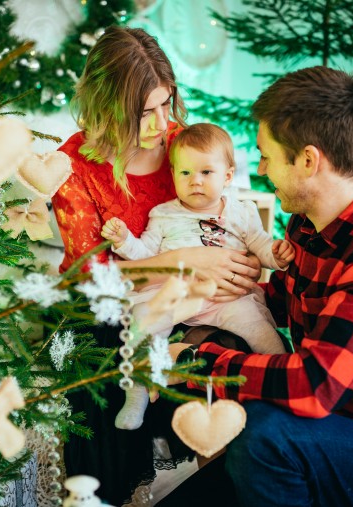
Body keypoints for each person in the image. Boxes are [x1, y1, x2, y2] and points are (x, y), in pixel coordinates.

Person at [177, 66, 353, 507]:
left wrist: (194, 362)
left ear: (308, 160)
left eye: (267, 155)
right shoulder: (308, 227)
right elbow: (280, 303)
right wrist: (200, 305)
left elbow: (316, 386)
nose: (263, 168)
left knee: (263, 433)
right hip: (310, 433)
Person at [51, 26, 262, 505]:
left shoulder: (180, 147)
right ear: (107, 106)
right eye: (144, 112)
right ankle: (116, 493)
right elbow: (93, 277)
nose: (160, 123)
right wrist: (183, 261)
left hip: (189, 303)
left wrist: (238, 266)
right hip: (104, 305)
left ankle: (228, 487)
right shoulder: (74, 167)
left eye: (166, 104)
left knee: (225, 350)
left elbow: (226, 216)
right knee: (107, 359)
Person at [101, 123, 294, 430]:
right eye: (186, 173)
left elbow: (259, 243)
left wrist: (276, 255)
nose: (195, 182)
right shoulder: (163, 215)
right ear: (174, 175)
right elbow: (145, 255)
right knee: (143, 322)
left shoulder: (240, 212)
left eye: (206, 173)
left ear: (227, 177)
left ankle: (286, 379)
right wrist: (124, 241)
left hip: (224, 298)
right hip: (175, 295)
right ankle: (136, 392)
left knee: (258, 327)